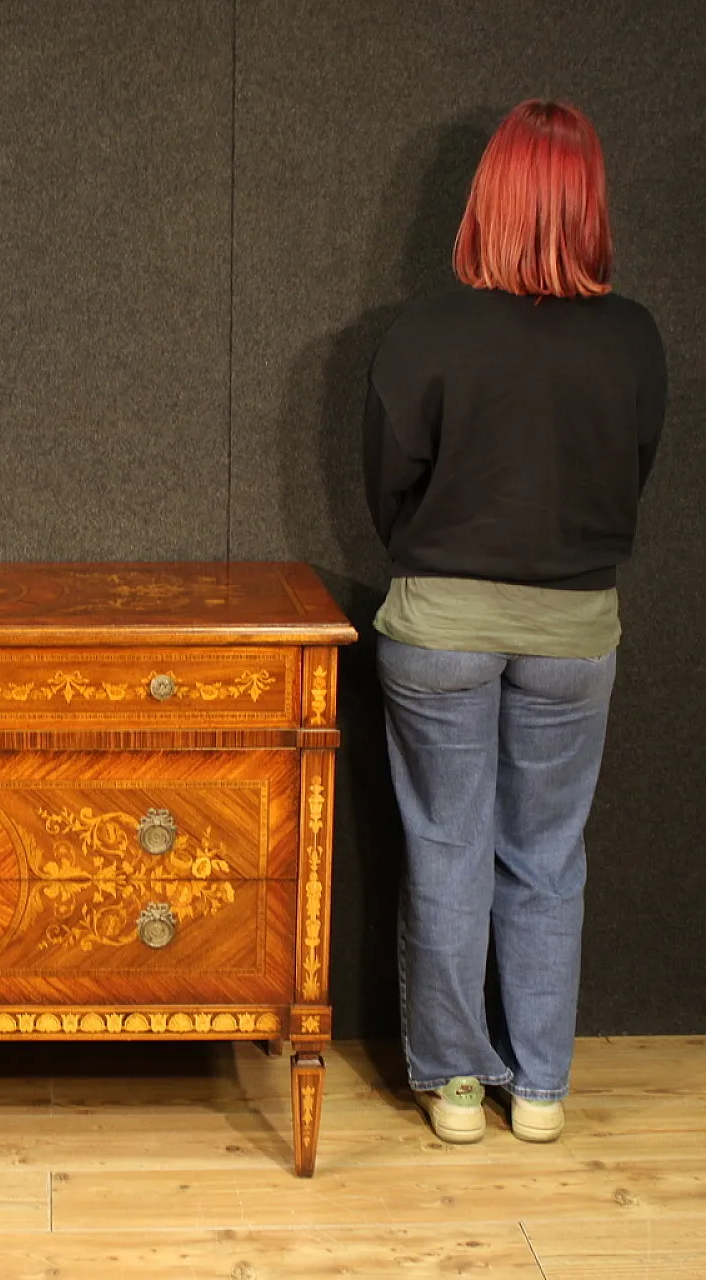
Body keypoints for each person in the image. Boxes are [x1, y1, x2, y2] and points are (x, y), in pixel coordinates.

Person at [362, 100, 667, 1145]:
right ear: (588, 202)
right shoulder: (631, 337)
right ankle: (538, 1087)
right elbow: (633, 476)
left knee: (446, 846)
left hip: (438, 619)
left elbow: (386, 488)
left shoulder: (425, 331)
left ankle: (452, 1087)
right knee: (547, 855)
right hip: (575, 633)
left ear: (484, 196)